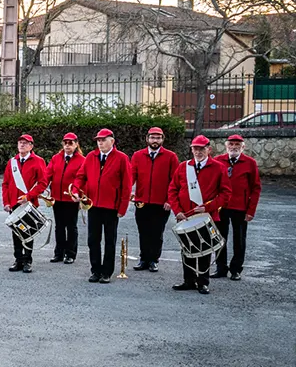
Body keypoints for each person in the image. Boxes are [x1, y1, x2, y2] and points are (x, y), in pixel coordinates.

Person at [168, 135, 230, 294]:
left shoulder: (218, 167)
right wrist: (178, 210)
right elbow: (173, 190)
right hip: (186, 216)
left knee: (204, 249)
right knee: (187, 249)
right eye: (195, 148)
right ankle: (188, 280)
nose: (198, 152)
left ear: (209, 149)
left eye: (201, 149)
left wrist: (209, 207)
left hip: (206, 216)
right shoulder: (184, 167)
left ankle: (203, 282)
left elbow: (226, 194)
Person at [71, 128, 132, 284]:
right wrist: (76, 190)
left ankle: (107, 272)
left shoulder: (121, 158)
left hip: (112, 206)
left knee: (110, 241)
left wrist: (122, 207)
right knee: (93, 240)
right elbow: (80, 176)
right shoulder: (91, 156)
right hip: (93, 205)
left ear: (112, 141)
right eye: (98, 140)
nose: (100, 143)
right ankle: (95, 270)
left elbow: (127, 185)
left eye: (103, 140)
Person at [129, 126, 180, 273]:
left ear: (162, 139)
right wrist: (129, 191)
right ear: (147, 139)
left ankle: (154, 260)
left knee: (157, 232)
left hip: (161, 203)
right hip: (142, 201)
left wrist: (170, 200)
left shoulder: (171, 157)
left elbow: (175, 181)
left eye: (158, 138)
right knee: (143, 231)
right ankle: (143, 258)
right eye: (152, 137)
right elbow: (132, 176)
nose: (155, 140)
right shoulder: (138, 155)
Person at [212, 134, 261, 281]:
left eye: (237, 145)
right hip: (221, 207)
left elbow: (256, 187)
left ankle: (236, 269)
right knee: (219, 238)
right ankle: (221, 268)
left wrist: (251, 210)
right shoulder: (218, 161)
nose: (234, 147)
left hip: (240, 207)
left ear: (243, 147)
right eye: (231, 145)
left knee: (239, 239)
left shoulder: (250, 163)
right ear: (226, 146)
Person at [1, 134, 48, 273]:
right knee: (16, 233)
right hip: (14, 203)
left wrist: (29, 196)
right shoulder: (12, 162)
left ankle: (27, 260)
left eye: (25, 143)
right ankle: (18, 260)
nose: (22, 145)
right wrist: (6, 202)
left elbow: (43, 183)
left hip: (28, 203)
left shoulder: (38, 161)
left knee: (28, 232)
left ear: (31, 146)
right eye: (20, 142)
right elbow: (5, 183)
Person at [44, 133, 85, 264]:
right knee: (59, 226)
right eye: (65, 143)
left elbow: (81, 179)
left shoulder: (82, 160)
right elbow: (47, 174)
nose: (67, 145)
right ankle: (59, 253)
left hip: (71, 199)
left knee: (71, 227)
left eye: (70, 143)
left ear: (76, 144)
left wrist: (76, 194)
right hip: (57, 197)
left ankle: (71, 253)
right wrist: (41, 187)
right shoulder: (56, 158)